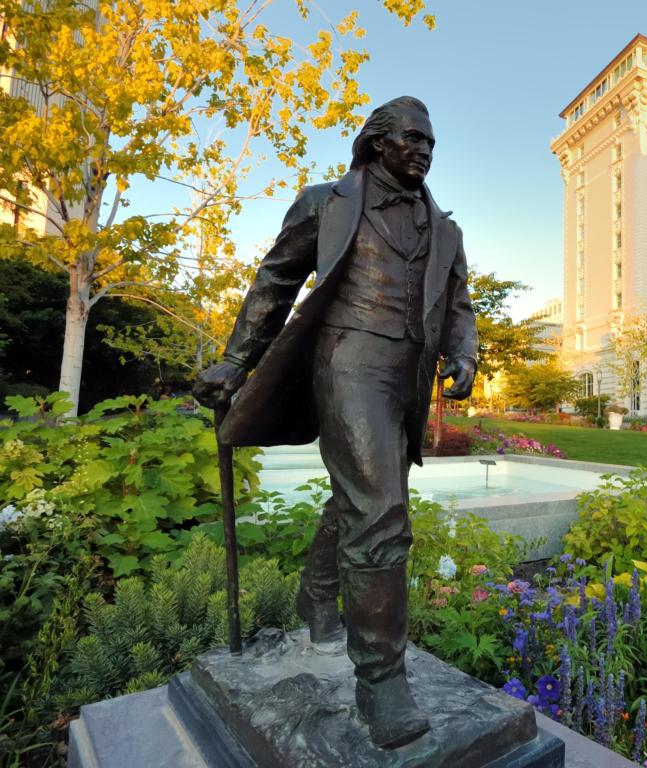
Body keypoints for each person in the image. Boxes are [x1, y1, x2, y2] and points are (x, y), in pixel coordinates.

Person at [193, 96, 477, 750]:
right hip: (346, 359)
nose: (425, 152)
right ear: (377, 142)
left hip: (407, 375)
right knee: (381, 509)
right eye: (413, 139)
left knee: (361, 497)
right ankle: (380, 679)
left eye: (431, 143)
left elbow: (458, 305)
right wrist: (235, 362)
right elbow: (276, 280)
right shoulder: (325, 202)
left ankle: (317, 594)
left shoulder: (448, 232)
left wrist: (462, 354)